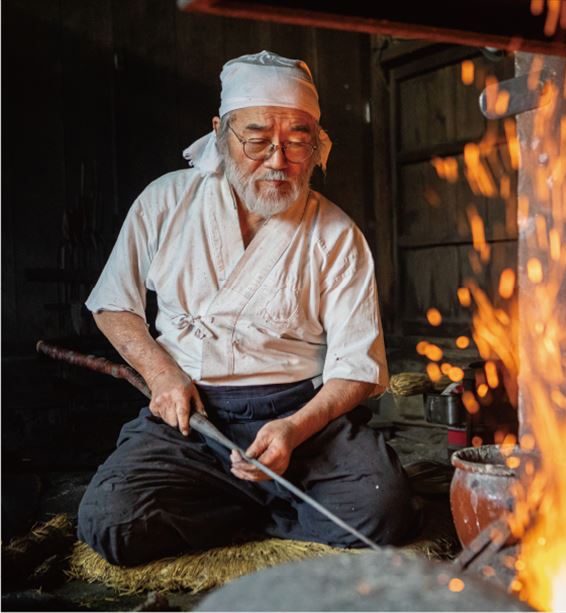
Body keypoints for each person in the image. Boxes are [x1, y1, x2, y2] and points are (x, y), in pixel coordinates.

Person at [77, 51, 414, 566]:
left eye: (297, 140)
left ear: (317, 143)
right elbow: (112, 305)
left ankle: (253, 498)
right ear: (221, 133)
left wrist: (293, 430)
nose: (278, 161)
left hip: (301, 418)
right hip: (192, 417)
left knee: (380, 508)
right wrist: (162, 375)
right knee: (112, 522)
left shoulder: (337, 235)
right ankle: (259, 504)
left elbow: (357, 369)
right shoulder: (165, 202)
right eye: (257, 140)